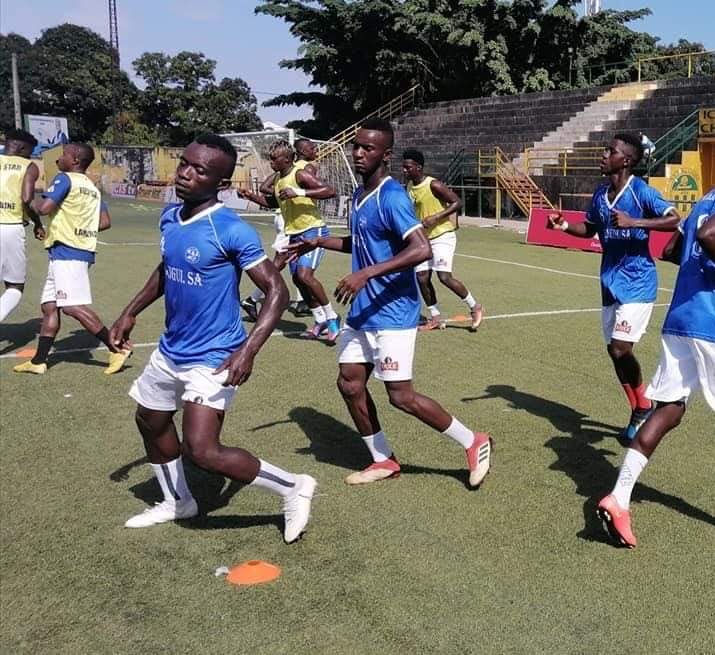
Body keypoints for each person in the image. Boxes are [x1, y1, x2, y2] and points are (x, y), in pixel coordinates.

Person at [110, 134, 316, 543]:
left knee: (202, 450)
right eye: (185, 163)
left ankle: (293, 486)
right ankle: (177, 501)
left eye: (200, 170)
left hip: (216, 354)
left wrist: (248, 350)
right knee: (150, 419)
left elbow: (277, 291)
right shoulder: (170, 216)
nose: (186, 174)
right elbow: (165, 269)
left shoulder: (230, 229)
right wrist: (130, 312)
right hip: (172, 348)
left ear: (221, 183)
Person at [596, 142, 715, 549]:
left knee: (668, 409)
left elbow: (672, 249)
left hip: (680, 318)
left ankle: (619, 496)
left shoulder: (709, 196)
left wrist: (701, 263)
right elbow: (708, 234)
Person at [282, 118, 492, 488]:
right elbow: (362, 241)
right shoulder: (359, 195)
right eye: (357, 146)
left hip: (393, 311)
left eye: (368, 148)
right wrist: (318, 242)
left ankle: (473, 441)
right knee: (350, 384)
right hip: (363, 310)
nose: (359, 153)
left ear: (386, 155)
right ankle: (383, 459)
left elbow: (420, 249)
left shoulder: (392, 196)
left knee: (401, 396)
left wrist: (366, 273)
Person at [546, 134, 680, 444]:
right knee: (613, 351)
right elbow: (590, 228)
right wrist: (563, 226)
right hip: (609, 283)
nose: (604, 155)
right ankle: (639, 408)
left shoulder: (642, 191)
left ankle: (644, 403)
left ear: (627, 160)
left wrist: (636, 222)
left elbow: (674, 219)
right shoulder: (600, 194)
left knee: (621, 347)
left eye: (611, 151)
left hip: (638, 282)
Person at [13, 143, 130, 375]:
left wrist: (26, 198)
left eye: (64, 155)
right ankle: (38, 361)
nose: (59, 159)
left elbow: (44, 208)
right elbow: (105, 222)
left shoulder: (65, 179)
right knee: (49, 306)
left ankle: (117, 348)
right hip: (70, 251)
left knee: (71, 306)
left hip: (68, 252)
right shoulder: (92, 187)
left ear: (75, 160)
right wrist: (80, 228)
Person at [238, 139, 340, 343]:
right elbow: (272, 202)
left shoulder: (300, 174)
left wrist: (299, 191)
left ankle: (332, 317)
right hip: (294, 234)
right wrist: (250, 196)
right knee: (297, 279)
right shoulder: (278, 179)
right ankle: (319, 320)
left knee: (304, 275)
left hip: (313, 231)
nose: (270, 163)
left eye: (273, 159)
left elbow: (330, 191)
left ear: (286, 159)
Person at [400, 148, 483, 331]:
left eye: (408, 167)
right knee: (422, 278)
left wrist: (436, 217)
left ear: (418, 167)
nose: (404, 170)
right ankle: (435, 317)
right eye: (403, 167)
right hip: (424, 239)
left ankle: (475, 307)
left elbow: (457, 202)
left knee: (444, 277)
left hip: (442, 235)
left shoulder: (433, 185)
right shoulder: (409, 186)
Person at [0, 129, 45, 321]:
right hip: (9, 226)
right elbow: (27, 199)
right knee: (15, 287)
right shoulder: (29, 166)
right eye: (30, 151)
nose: (30, 155)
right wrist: (37, 223)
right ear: (22, 148)